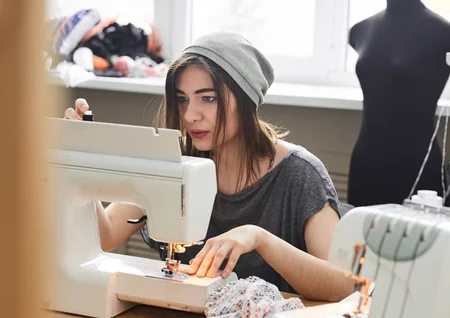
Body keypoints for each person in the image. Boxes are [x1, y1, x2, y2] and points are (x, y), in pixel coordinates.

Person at [64, 32, 355, 304]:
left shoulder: (300, 174)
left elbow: (345, 285)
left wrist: (260, 238)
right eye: (182, 100)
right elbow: (105, 235)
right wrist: (81, 158)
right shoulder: (173, 160)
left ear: (245, 98)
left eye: (208, 98)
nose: (190, 115)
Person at [346, 0, 450, 207]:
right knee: (360, 237)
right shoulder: (359, 29)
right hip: (366, 163)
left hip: (415, 163)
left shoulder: (445, 34)